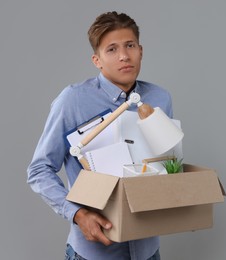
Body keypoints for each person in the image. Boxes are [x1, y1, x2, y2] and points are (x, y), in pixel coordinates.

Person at [27, 11, 172, 259]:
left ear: (141, 50)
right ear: (97, 60)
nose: (124, 56)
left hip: (149, 250)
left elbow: (166, 161)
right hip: (93, 253)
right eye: (112, 49)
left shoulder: (160, 98)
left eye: (130, 46)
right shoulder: (72, 100)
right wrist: (77, 214)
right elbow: (39, 170)